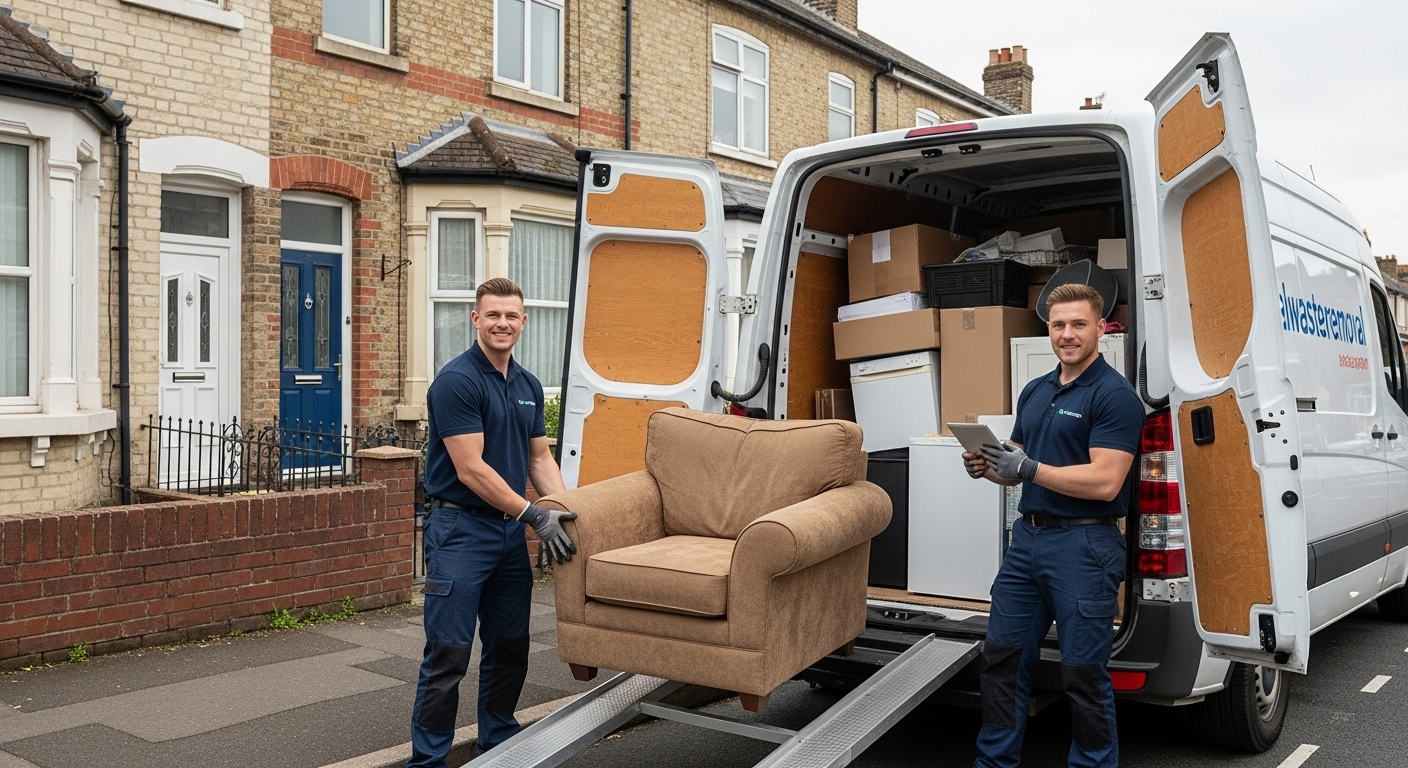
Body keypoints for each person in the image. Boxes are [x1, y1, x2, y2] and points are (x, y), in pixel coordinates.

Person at [963, 283, 1144, 768]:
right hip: (1028, 542)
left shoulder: (1114, 396)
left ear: (1101, 328)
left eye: (1078, 324)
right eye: (1058, 325)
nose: (1067, 334)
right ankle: (994, 764)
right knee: (1001, 661)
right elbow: (1016, 469)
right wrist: (989, 467)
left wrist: (1025, 467)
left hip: (1084, 545)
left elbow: (1106, 481)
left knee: (1082, 675)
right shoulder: (1036, 390)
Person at [408, 277, 578, 767]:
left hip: (508, 533)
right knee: (449, 653)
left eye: (510, 316)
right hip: (459, 532)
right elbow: (471, 469)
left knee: (509, 646)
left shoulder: (527, 385)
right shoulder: (457, 382)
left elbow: (539, 459)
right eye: (493, 315)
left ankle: (498, 744)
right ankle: (427, 761)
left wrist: (565, 511)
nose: (502, 323)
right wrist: (534, 514)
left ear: (523, 322)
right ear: (476, 319)